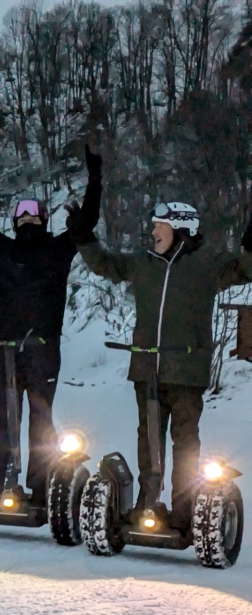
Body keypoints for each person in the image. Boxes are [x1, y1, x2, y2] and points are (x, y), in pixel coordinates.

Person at [70, 201, 252, 532]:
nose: (153, 232)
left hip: (186, 370)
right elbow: (106, 265)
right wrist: (84, 236)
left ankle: (184, 511)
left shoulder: (207, 264)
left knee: (185, 442)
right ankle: (148, 504)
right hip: (147, 368)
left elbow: (245, 269)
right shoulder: (143, 264)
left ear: (181, 229)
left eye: (159, 226)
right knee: (149, 439)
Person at [0, 144, 102, 506]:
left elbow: (88, 222)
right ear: (14, 221)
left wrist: (95, 177)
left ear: (44, 220)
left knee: (41, 418)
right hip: (6, 350)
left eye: (34, 214)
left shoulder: (59, 249)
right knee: (5, 417)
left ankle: (39, 482)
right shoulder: (2, 249)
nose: (28, 218)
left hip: (44, 350)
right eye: (22, 214)